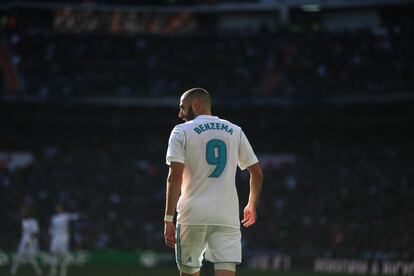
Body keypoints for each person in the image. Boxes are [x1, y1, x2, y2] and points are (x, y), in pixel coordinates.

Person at [164, 88, 263, 276]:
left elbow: (174, 176)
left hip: (192, 214)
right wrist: (251, 205)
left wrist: (168, 219)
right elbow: (256, 172)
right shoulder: (235, 130)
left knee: (189, 272)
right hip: (226, 215)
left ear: (195, 105)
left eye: (182, 108)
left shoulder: (181, 132)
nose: (180, 114)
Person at [48, 204, 80, 276]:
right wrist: (50, 234)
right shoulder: (54, 217)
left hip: (64, 238)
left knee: (64, 255)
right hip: (55, 238)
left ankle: (63, 273)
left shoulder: (66, 216)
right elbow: (52, 228)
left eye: (59, 207)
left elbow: (74, 216)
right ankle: (53, 272)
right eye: (57, 208)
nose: (58, 209)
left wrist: (80, 215)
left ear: (62, 208)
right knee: (53, 254)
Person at [10, 206, 43, 276]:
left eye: (23, 212)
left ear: (28, 213)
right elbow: (24, 233)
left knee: (30, 258)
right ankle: (13, 272)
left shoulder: (33, 221)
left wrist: (29, 242)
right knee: (19, 256)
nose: (22, 213)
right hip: (24, 240)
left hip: (30, 242)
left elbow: (36, 234)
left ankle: (39, 272)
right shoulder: (24, 221)